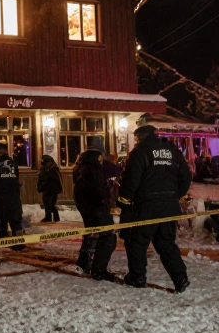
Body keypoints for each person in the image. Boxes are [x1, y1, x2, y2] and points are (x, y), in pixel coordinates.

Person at [118, 124, 192, 293]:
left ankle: (137, 277)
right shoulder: (172, 150)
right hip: (169, 205)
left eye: (137, 138)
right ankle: (180, 278)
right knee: (166, 243)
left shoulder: (139, 152)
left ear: (141, 137)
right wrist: (175, 195)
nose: (136, 141)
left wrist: (124, 200)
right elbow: (186, 175)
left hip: (146, 205)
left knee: (137, 241)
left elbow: (131, 180)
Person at [73, 144, 117, 281]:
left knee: (92, 235)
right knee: (108, 237)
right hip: (97, 208)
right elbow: (99, 190)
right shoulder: (93, 169)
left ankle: (83, 264)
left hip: (87, 208)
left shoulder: (80, 168)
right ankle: (99, 270)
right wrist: (108, 191)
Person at [0, 142, 23, 247]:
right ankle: (19, 244)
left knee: (1, 221)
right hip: (14, 197)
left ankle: (4, 243)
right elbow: (17, 179)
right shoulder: (13, 162)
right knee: (15, 221)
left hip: (1, 198)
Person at [37, 155, 62, 223]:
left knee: (51, 204)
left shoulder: (54, 169)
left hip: (52, 189)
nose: (41, 161)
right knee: (46, 203)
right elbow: (41, 178)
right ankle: (48, 217)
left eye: (43, 160)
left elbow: (56, 179)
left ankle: (55, 218)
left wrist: (58, 188)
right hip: (46, 189)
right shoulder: (44, 169)